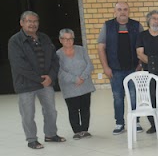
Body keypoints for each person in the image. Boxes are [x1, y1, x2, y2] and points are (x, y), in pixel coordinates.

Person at [8, 11, 65, 149]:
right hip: (26, 84)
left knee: (51, 110)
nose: (32, 24)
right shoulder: (15, 41)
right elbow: (19, 65)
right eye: (29, 21)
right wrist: (40, 79)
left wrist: (50, 76)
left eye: (35, 21)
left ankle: (51, 135)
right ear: (22, 23)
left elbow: (54, 59)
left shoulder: (44, 38)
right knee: (28, 114)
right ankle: (32, 139)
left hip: (46, 82)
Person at [97, 1, 144, 135]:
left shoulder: (136, 26)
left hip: (133, 69)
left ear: (129, 11)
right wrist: (105, 67)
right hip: (115, 69)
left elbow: (142, 47)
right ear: (115, 11)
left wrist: (140, 64)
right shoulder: (108, 26)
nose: (122, 12)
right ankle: (119, 123)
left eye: (125, 9)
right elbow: (101, 48)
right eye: (119, 9)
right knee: (118, 97)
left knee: (134, 96)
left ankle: (136, 122)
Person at [57, 29, 96, 140]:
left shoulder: (81, 50)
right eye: (65, 39)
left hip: (85, 85)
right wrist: (75, 79)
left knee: (85, 108)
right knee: (73, 109)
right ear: (61, 40)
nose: (68, 41)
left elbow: (90, 65)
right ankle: (77, 131)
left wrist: (82, 77)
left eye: (71, 39)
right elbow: (59, 72)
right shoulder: (57, 54)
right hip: (69, 87)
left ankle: (85, 130)